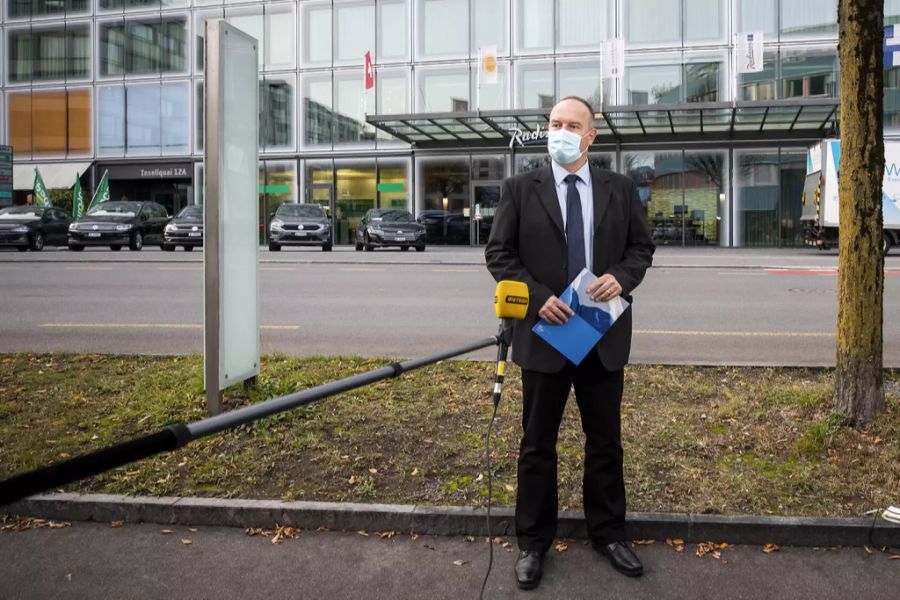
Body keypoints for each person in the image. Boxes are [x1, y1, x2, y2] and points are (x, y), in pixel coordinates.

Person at [485, 96, 654, 590]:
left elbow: (641, 247)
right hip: (545, 335)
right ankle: (533, 543)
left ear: (590, 136)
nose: (561, 131)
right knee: (537, 445)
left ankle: (609, 534)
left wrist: (620, 278)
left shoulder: (620, 189)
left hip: (601, 335)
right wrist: (538, 298)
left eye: (571, 125)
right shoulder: (520, 188)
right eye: (555, 123)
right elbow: (499, 252)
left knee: (605, 443)